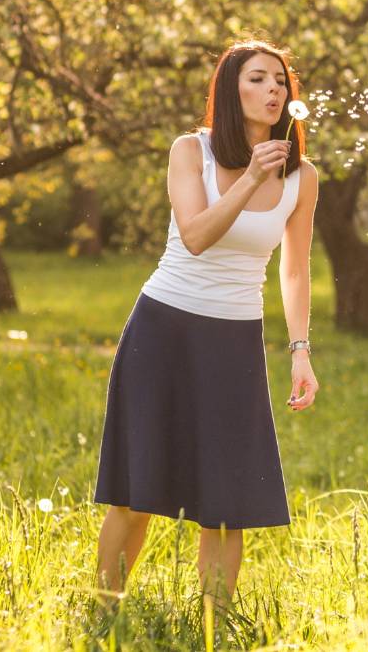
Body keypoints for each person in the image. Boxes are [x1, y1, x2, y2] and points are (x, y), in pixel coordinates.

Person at [93, 39, 320, 612]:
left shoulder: (301, 176)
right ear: (229, 89)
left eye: (281, 82)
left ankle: (214, 627)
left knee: (227, 500)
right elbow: (194, 237)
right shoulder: (189, 151)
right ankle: (105, 610)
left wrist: (300, 351)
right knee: (136, 492)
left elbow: (295, 270)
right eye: (258, 79)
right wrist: (247, 179)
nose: (274, 90)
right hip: (163, 330)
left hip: (234, 340)